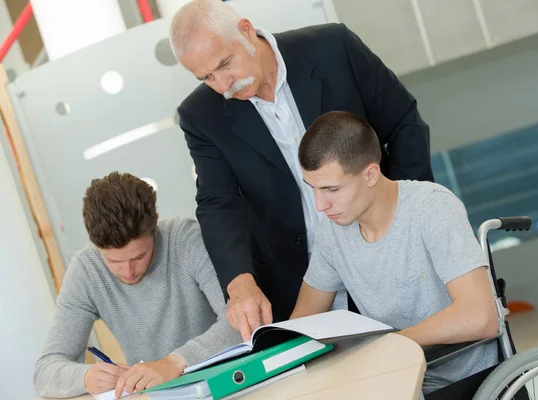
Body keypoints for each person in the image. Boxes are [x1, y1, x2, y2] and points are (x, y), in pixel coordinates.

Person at [169, 0, 434, 341]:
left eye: (225, 64)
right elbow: (218, 202)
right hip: (299, 282)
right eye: (206, 77)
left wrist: (406, 219)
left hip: (387, 251)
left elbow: (403, 125)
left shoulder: (333, 48)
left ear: (247, 31)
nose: (223, 84)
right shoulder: (200, 115)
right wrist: (240, 283)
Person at [290, 111, 499, 394]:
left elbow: (480, 317)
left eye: (331, 189)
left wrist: (390, 346)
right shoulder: (334, 232)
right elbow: (303, 319)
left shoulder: (432, 209)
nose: (320, 205)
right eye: (313, 189)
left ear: (371, 174)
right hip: (395, 376)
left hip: (461, 377)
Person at [33, 172, 242, 399]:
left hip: (227, 384)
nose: (128, 271)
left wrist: (176, 362)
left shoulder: (185, 239)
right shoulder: (86, 271)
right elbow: (45, 372)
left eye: (139, 256)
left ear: (154, 228)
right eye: (114, 261)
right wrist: (86, 377)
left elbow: (240, 321)